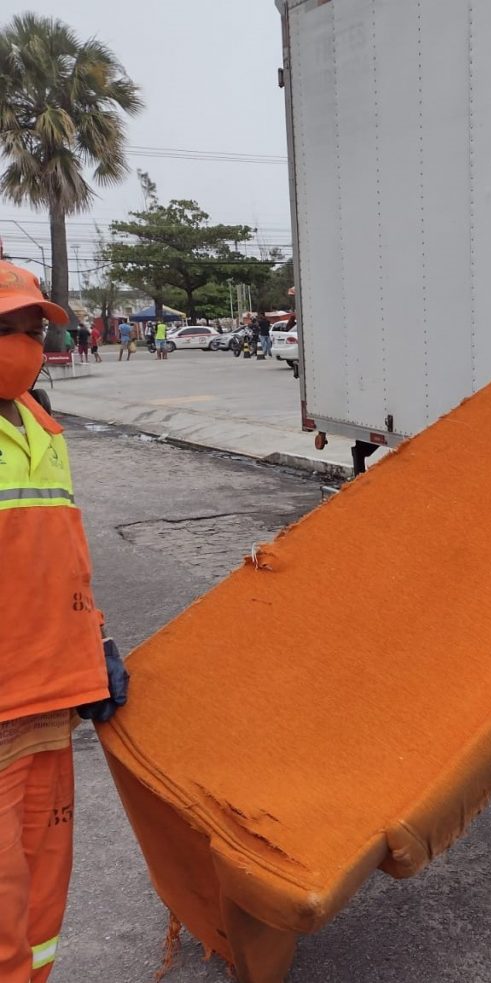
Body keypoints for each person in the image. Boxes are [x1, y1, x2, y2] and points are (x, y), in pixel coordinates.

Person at [0, 260, 129, 981]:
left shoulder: (45, 429)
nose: (20, 344)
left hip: (52, 705)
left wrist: (95, 637)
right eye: (3, 329)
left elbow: (63, 562)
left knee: (43, 904)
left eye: (30, 330)